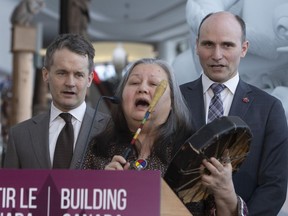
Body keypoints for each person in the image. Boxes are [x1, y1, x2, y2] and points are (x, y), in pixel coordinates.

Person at [82, 58, 248, 215]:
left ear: (172, 103)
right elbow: (75, 207)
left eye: (154, 84)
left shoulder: (194, 153)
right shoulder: (99, 148)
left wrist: (225, 192)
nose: (142, 88)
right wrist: (102, 193)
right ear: (121, 98)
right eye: (134, 83)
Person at [180, 11, 288, 216]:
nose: (217, 55)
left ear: (244, 48)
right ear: (196, 46)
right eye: (208, 44)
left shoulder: (269, 108)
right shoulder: (175, 99)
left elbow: (275, 186)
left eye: (227, 45)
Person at [4, 33, 110, 169]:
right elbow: (11, 188)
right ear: (46, 75)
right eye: (62, 73)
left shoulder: (110, 130)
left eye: (78, 75)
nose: (70, 83)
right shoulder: (19, 136)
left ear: (89, 79)